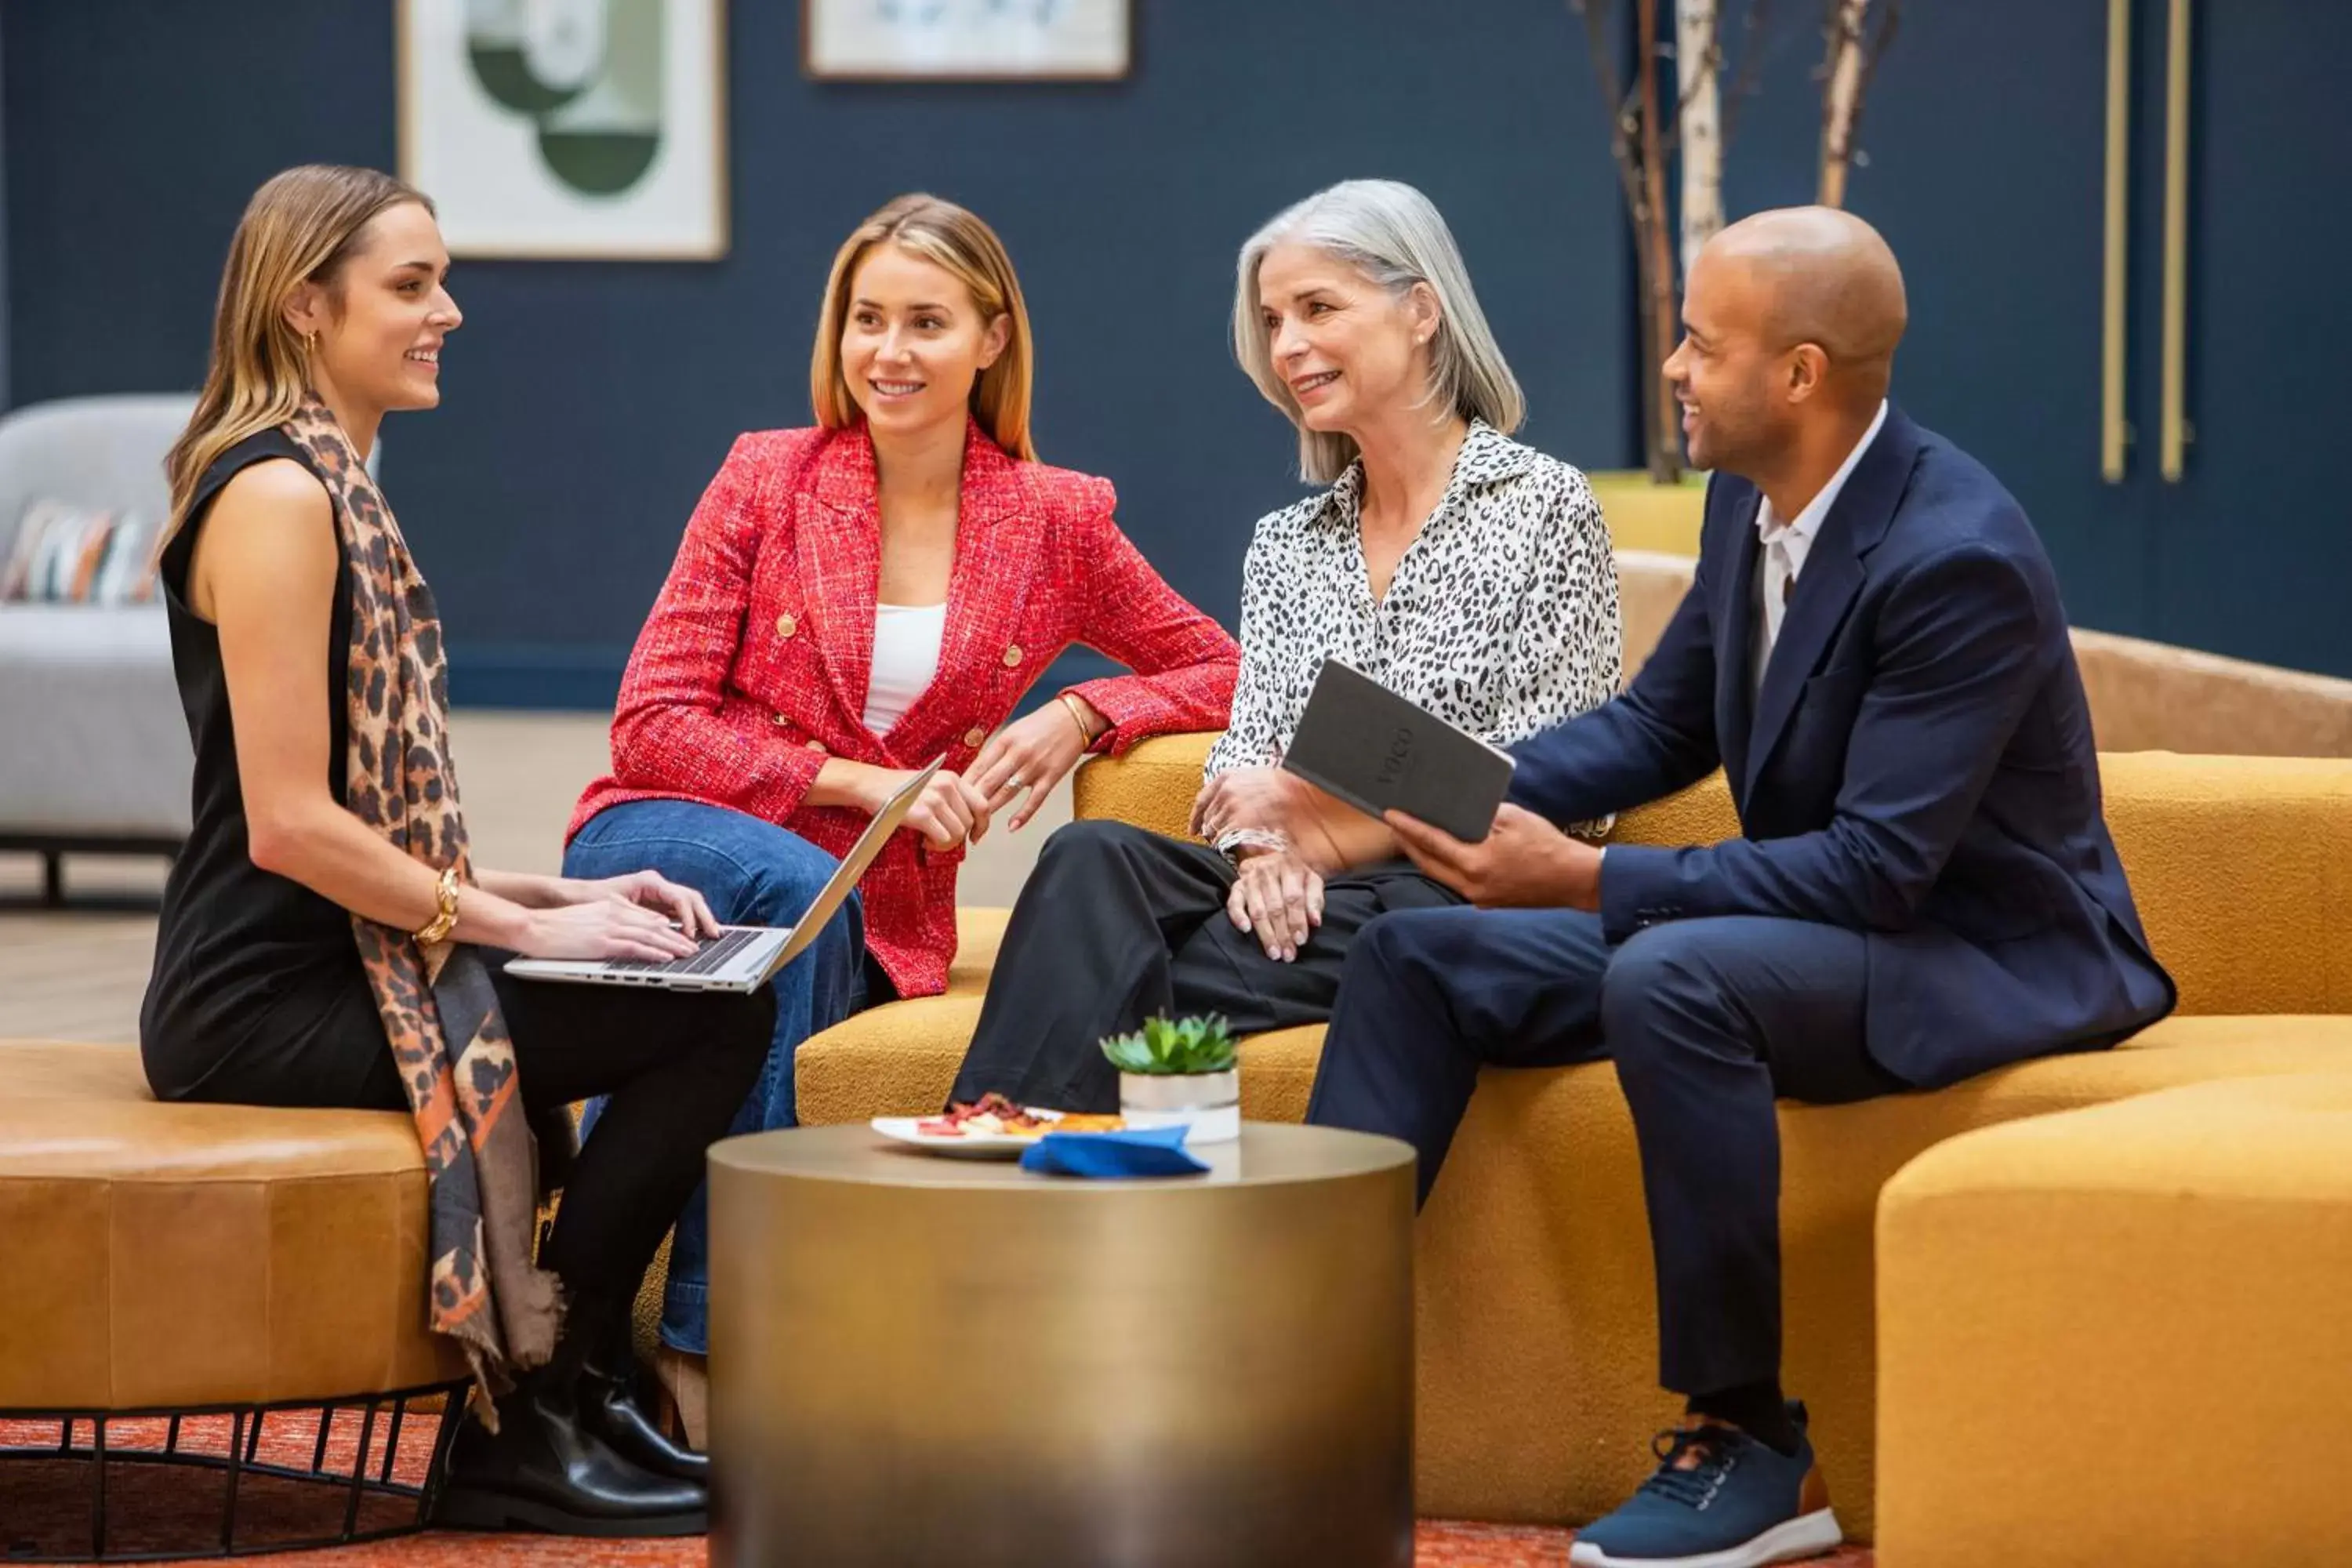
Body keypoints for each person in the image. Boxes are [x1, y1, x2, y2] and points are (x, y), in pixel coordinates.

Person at [1305, 206, 2177, 1568]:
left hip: (1981, 950)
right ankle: (1303, 1386)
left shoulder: (1958, 559)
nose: (1670, 367)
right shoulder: (1751, 500)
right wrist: (1424, 782)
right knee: (1419, 952)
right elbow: (1659, 729)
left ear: (1801, 376)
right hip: (1812, 928)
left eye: (1701, 345)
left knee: (1675, 974)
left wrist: (1587, 878)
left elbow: (1882, 871)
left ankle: (1754, 1441)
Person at [138, 165, 775, 1537]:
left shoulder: (333, 482)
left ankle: (578, 1391)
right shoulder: (280, 499)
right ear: (306, 308)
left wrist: (552, 890)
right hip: (259, 1000)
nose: (451, 314)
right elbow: (289, 824)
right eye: (412, 286)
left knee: (710, 1002)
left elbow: (366, 823)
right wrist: (520, 931)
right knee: (702, 1027)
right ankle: (536, 1411)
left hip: (353, 955)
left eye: (443, 279)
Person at [560, 193, 1240, 1427]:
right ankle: (714, 1358)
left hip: (861, 912)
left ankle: (624, 1337)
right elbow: (651, 725)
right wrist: (865, 783)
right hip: (665, 838)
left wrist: (1088, 713)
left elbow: (1225, 663)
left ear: (992, 338)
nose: (889, 351)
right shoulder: (765, 479)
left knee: (800, 944)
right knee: (785, 895)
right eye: (867, 319)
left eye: (926, 321)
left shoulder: (1054, 519)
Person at [949, 179, 1622, 1114]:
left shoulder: (1545, 507)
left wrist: (1322, 824)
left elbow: (1559, 792)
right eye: (1272, 320)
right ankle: (1004, 1152)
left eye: (1318, 309)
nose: (1289, 346)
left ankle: (993, 1156)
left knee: (1107, 972)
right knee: (1091, 857)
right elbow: (1244, 760)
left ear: (1421, 310)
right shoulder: (1287, 545)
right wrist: (1266, 851)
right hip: (1294, 897)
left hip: (1444, 900)